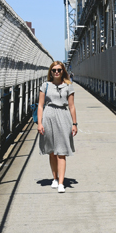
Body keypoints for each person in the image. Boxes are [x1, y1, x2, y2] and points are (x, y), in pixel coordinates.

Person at [37, 61, 77, 193]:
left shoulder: (68, 86)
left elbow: (71, 106)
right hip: (48, 117)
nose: (56, 72)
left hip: (63, 117)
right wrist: (40, 123)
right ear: (50, 72)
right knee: (52, 151)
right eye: (54, 70)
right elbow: (40, 105)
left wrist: (75, 124)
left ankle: (61, 183)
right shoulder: (45, 86)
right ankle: (54, 178)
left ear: (63, 71)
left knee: (62, 152)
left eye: (59, 70)